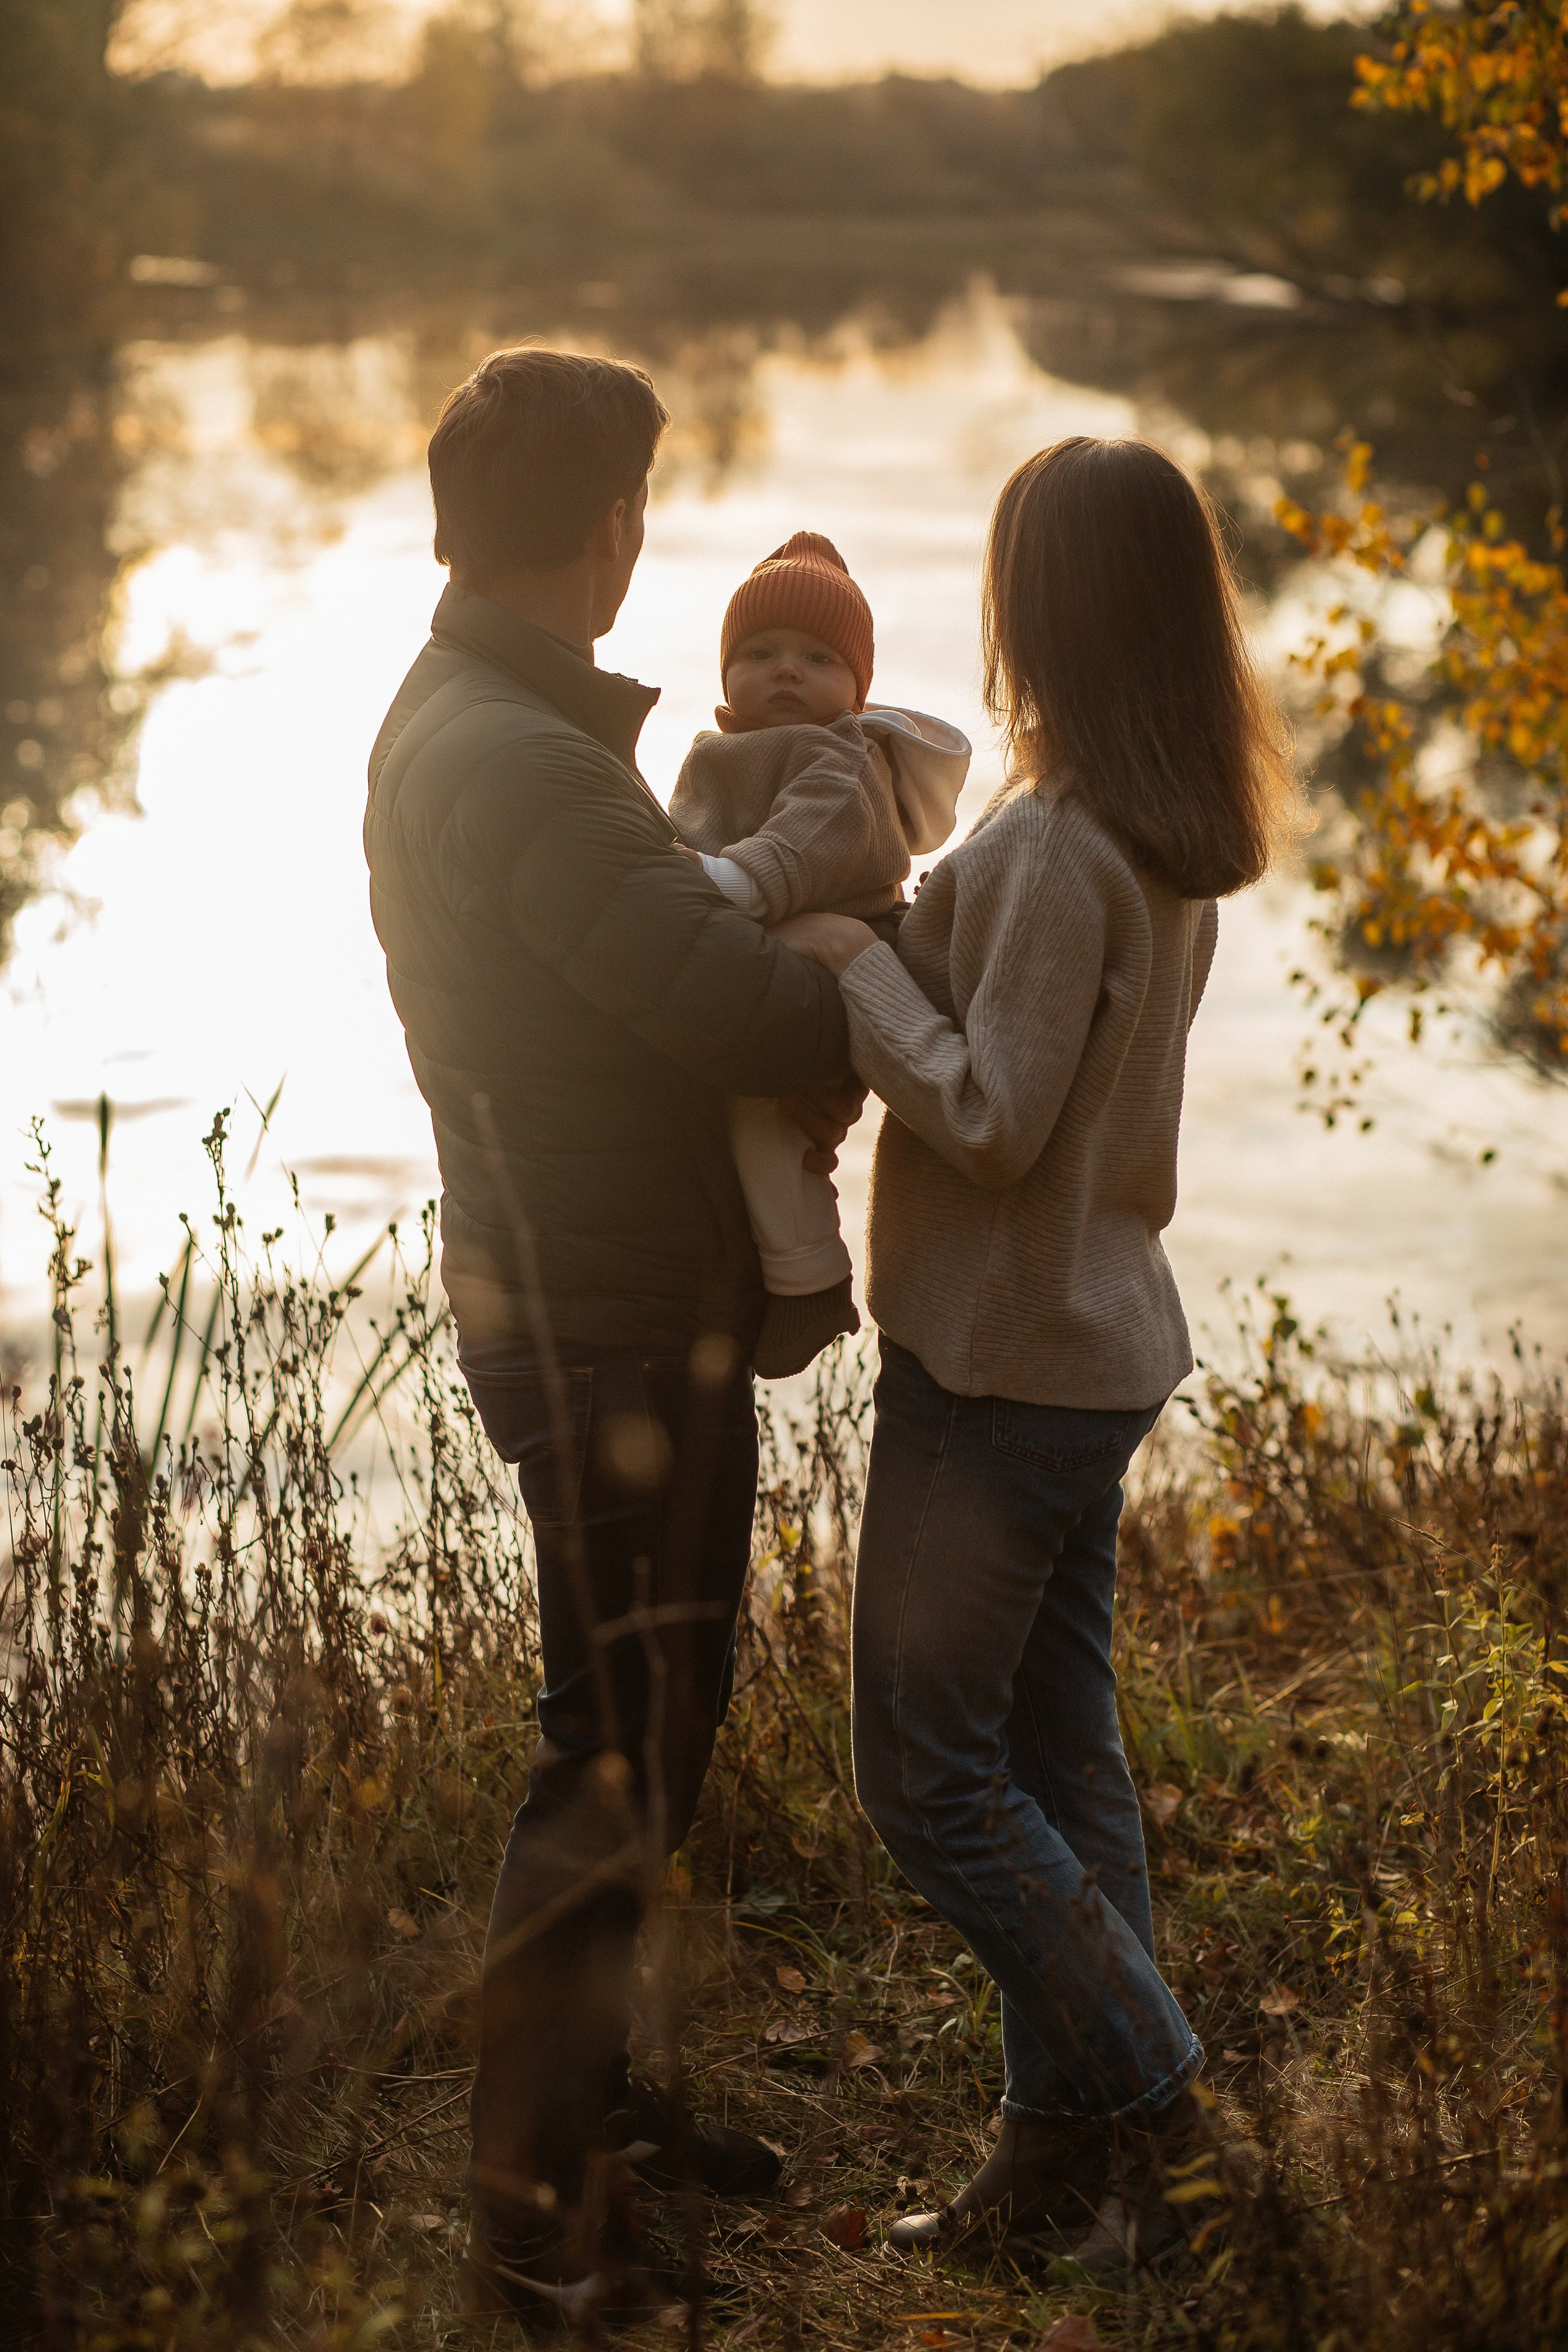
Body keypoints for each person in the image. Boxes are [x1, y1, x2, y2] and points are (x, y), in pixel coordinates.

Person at [363, 347, 858, 2320]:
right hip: (602, 1313)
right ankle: (529, 2193)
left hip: (602, 1283)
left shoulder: (502, 722)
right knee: (609, 1747)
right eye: (641, 507)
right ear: (607, 534)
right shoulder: (519, 760)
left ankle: (598, 2100)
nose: (647, 534)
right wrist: (909, 1008)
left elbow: (666, 969)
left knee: (649, 1724)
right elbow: (732, 1005)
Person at [775, 437, 1295, 2271]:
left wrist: (849, 961)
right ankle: (1055, 2172)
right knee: (1067, 1773)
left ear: (1042, 606)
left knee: (926, 1778)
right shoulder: (1149, 824)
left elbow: (990, 1115)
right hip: (1091, 1346)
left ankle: (1184, 2143)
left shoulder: (1070, 846)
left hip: (998, 1372)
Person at [669, 530, 970, 1377]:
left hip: (843, 966)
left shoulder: (842, 757)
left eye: (816, 656)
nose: (786, 671)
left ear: (857, 689)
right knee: (738, 1132)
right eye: (759, 653)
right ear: (725, 678)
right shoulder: (713, 755)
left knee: (768, 1129)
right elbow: (677, 843)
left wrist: (724, 886)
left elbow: (813, 839)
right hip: (760, 956)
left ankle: (809, 1281)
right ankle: (772, 1262)